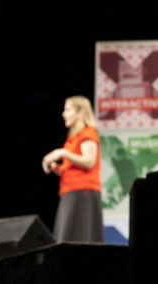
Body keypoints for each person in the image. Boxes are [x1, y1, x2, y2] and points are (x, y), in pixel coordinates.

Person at [42, 95, 105, 243]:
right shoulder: (73, 137)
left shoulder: (87, 133)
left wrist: (63, 153)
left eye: (68, 109)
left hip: (83, 193)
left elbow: (89, 162)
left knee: (82, 237)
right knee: (66, 237)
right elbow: (70, 170)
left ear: (79, 112)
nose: (64, 114)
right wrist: (55, 166)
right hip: (70, 192)